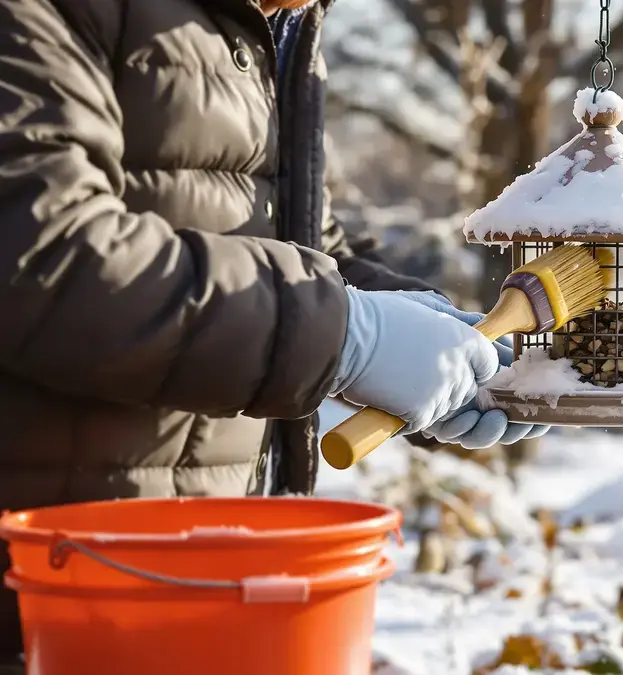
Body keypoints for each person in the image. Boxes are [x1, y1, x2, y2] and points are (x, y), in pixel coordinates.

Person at [0, 0, 548, 667]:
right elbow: (46, 257)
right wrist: (348, 336)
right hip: (50, 599)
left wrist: (414, 320)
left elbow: (297, 243)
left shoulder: (273, 25)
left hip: (211, 577)